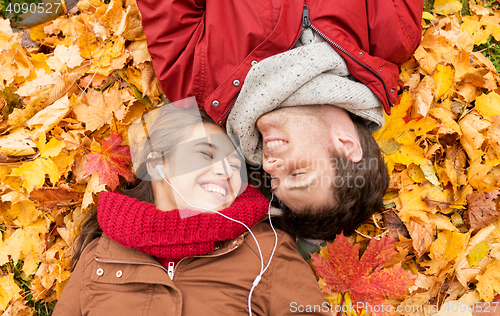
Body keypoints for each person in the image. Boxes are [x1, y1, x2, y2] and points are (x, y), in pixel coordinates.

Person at [134, 0, 423, 241]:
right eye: (297, 174)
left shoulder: (195, 83)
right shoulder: (395, 35)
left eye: (274, 179)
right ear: (346, 145)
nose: (270, 166)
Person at [53, 101, 330, 316]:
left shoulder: (266, 250)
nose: (224, 171)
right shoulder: (100, 256)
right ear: (157, 164)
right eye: (204, 154)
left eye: (235, 166)